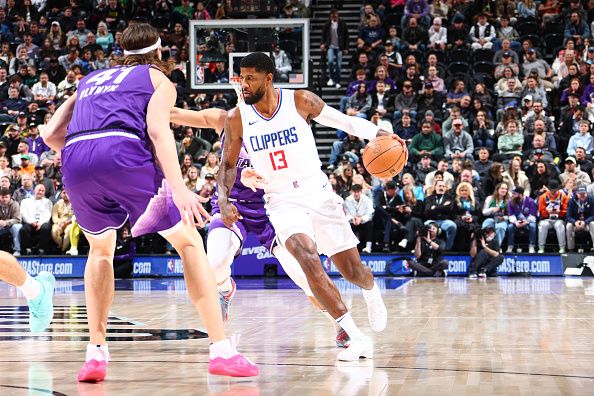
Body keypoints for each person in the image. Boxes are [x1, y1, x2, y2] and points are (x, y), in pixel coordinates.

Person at [40, 24, 258, 382]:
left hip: (76, 161)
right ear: (158, 54)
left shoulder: (90, 80)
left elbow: (50, 136)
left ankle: (95, 353)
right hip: (124, 153)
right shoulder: (158, 80)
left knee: (100, 252)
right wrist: (179, 187)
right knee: (188, 242)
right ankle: (221, 349)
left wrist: (91, 159)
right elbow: (157, 130)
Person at [219, 52, 392, 362]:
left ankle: (370, 288)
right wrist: (223, 198)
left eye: (250, 78)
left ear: (268, 78)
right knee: (306, 257)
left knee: (352, 271)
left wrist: (379, 134)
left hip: (318, 192)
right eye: (242, 78)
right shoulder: (237, 118)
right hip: (282, 199)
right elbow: (227, 165)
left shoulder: (299, 101)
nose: (243, 84)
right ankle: (354, 335)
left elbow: (345, 122)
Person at [173, 107, 352, 347]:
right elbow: (175, 114)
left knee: (302, 274)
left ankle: (339, 323)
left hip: (271, 206)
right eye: (241, 84)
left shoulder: (281, 125)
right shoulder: (225, 119)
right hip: (231, 205)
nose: (245, 91)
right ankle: (226, 289)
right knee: (214, 266)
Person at [537, 180, 569, 253]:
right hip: (546, 219)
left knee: (559, 226)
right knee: (542, 225)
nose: (553, 192)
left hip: (559, 219)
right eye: (551, 190)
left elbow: (566, 210)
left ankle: (562, 247)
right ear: (549, 189)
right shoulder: (543, 197)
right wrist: (548, 212)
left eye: (555, 190)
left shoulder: (563, 196)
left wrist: (559, 212)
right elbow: (541, 211)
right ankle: (541, 247)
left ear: (558, 189)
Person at [506, 187, 538, 253]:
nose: (512, 195)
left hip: (528, 221)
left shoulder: (530, 201)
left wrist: (525, 222)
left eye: (514, 194)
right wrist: (515, 222)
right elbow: (510, 215)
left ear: (520, 195)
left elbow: (533, 215)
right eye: (512, 193)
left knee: (533, 226)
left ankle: (531, 246)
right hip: (516, 221)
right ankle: (510, 246)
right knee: (510, 227)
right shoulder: (510, 202)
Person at [344, 184, 374, 254]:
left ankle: (368, 247)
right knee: (346, 225)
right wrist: (352, 219)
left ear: (361, 192)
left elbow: (370, 214)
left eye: (358, 192)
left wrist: (361, 219)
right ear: (351, 192)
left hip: (364, 221)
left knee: (370, 224)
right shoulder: (347, 200)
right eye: (355, 192)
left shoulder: (367, 200)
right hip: (353, 221)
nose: (356, 193)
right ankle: (350, 248)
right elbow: (347, 213)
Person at [566, 186, 594, 252]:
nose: (582, 195)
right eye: (580, 194)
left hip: (587, 223)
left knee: (593, 224)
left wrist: (585, 222)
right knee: (568, 226)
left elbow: (593, 215)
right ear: (576, 194)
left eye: (584, 193)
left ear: (586, 193)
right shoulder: (571, 201)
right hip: (576, 223)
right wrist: (575, 222)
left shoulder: (592, 200)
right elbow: (568, 216)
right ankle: (570, 249)